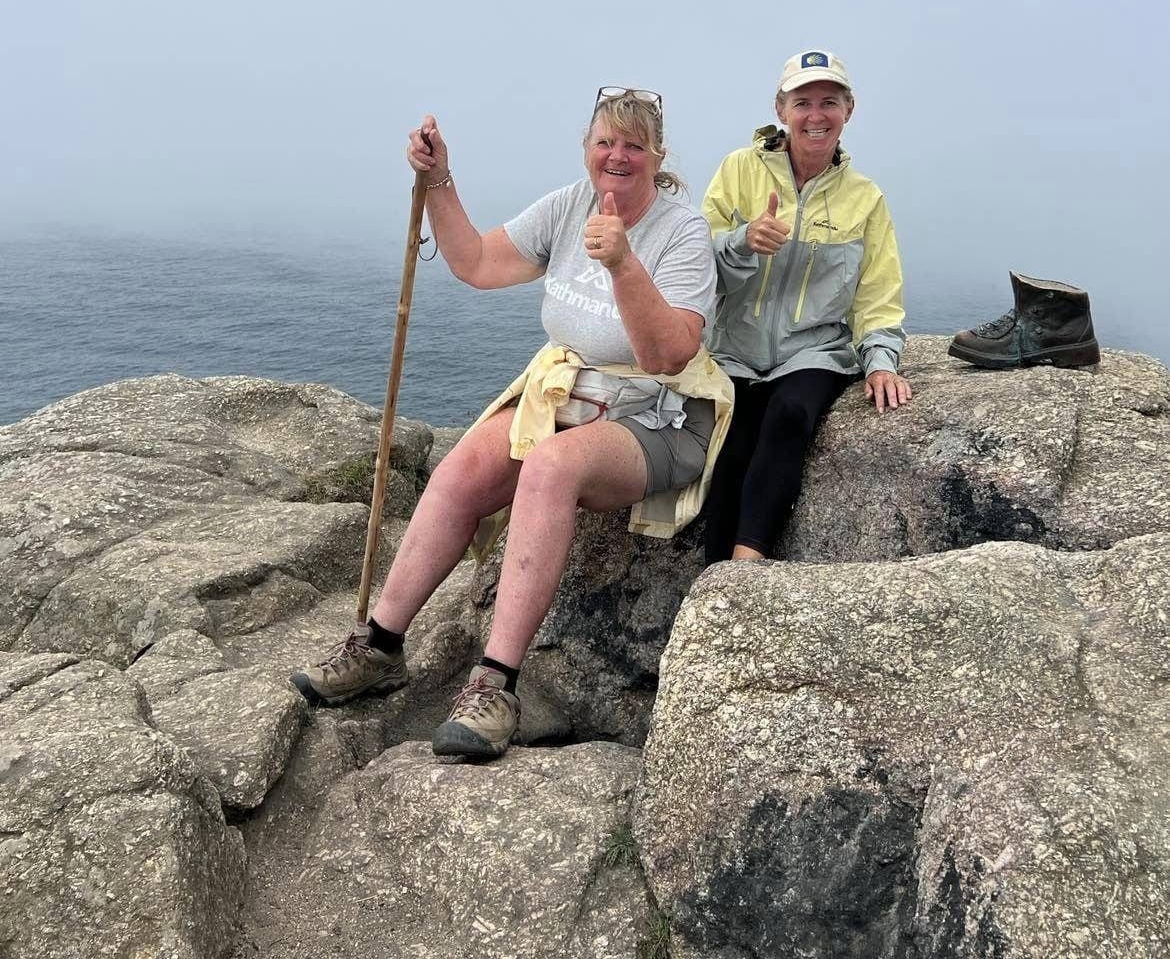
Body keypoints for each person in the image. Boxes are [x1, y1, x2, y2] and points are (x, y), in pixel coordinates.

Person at [292, 88, 731, 759]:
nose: (618, 156)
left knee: (551, 467)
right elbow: (475, 262)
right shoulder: (566, 207)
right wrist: (438, 180)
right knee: (465, 466)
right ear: (587, 148)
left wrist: (621, 262)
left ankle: (494, 686)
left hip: (659, 419)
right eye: (606, 141)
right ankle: (379, 646)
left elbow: (669, 353)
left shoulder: (681, 233)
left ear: (657, 156)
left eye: (634, 145)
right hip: (571, 399)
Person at [700, 49, 911, 565]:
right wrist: (743, 241)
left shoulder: (865, 198)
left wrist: (881, 361)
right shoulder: (739, 171)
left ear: (849, 110)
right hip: (735, 349)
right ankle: (712, 579)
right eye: (803, 102)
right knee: (733, 437)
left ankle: (745, 568)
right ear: (780, 108)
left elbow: (877, 294)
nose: (815, 116)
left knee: (790, 415)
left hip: (813, 350)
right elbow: (696, 264)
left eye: (829, 103)